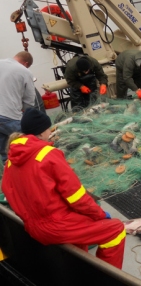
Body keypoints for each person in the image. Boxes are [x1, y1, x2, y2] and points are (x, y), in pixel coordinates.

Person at [1, 108, 126, 269]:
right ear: (41, 132)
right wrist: (100, 215)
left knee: (80, 239)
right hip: (56, 226)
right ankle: (106, 281)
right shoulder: (48, 154)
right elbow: (76, 197)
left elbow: (9, 193)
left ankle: (79, 274)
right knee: (115, 230)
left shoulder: (11, 161)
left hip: (32, 226)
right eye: (48, 128)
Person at [0, 51, 36, 164]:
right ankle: (28, 169)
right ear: (25, 63)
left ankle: (8, 170)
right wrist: (25, 111)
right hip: (8, 114)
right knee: (27, 142)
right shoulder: (25, 71)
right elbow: (30, 99)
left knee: (4, 148)